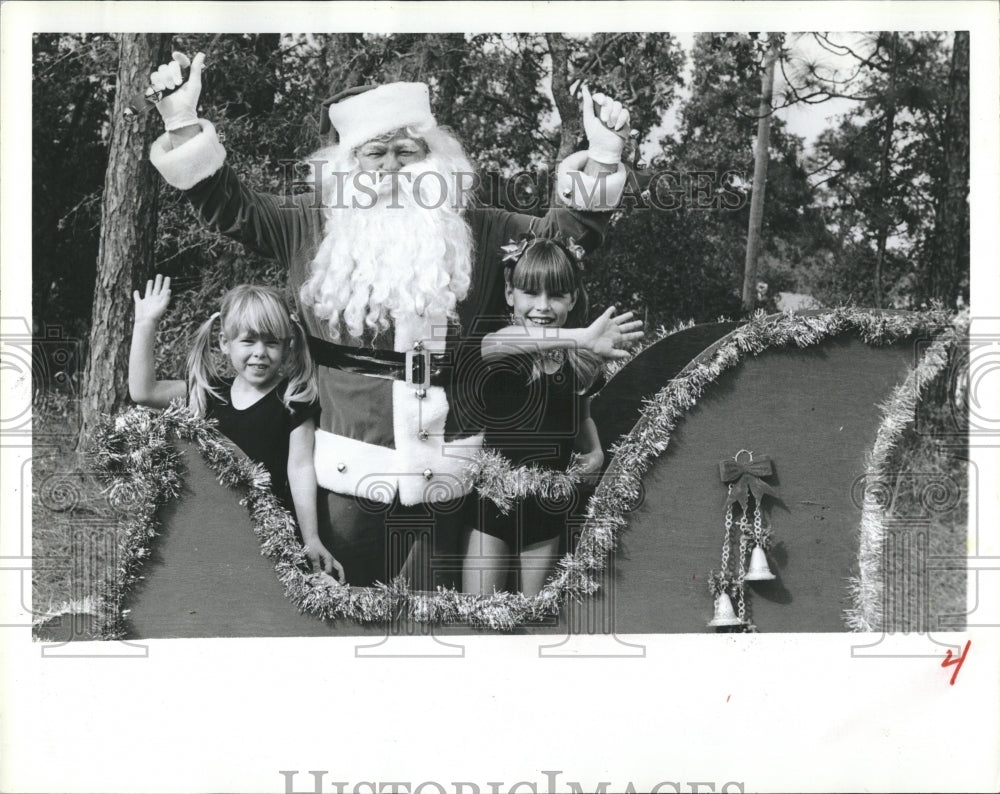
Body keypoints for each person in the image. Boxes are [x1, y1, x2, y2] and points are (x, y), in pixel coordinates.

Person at [145, 50, 632, 589]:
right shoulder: (309, 221)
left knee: (446, 619)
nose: (394, 167)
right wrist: (183, 123)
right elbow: (229, 205)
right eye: (375, 153)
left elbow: (563, 242)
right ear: (349, 163)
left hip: (456, 469)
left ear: (436, 157)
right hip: (348, 467)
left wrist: (604, 158)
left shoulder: (479, 227)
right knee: (342, 606)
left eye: (407, 151)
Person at [128, 274, 345, 582]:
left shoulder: (294, 400)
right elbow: (143, 391)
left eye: (271, 342)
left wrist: (311, 538)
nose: (260, 352)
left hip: (268, 539)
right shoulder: (208, 393)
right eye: (248, 340)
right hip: (209, 533)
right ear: (224, 344)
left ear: (286, 346)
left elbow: (300, 469)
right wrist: (145, 323)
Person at [463, 237, 643, 595]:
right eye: (530, 293)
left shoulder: (576, 360)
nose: (542, 306)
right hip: (492, 506)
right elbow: (495, 345)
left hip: (547, 508)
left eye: (557, 295)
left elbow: (579, 416)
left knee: (537, 615)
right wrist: (580, 337)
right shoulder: (503, 342)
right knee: (479, 616)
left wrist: (595, 451)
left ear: (573, 298)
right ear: (510, 293)